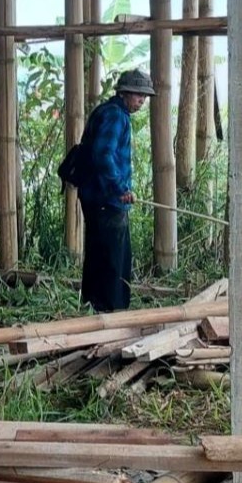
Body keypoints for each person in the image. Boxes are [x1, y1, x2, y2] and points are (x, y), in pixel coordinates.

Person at [77, 69, 154, 313]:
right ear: (124, 93)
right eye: (139, 95)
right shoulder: (115, 116)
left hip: (97, 196)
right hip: (107, 198)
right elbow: (103, 155)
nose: (142, 101)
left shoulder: (107, 111)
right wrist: (120, 188)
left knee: (100, 254)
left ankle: (93, 305)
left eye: (145, 96)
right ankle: (111, 310)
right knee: (114, 259)